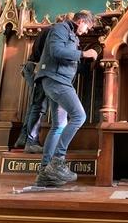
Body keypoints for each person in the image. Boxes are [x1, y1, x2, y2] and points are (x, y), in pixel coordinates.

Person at [34, 10, 98, 187]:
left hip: (58, 80)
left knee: (58, 126)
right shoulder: (61, 28)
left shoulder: (72, 35)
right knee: (79, 116)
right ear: (81, 21)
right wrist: (84, 54)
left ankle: (45, 172)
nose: (86, 32)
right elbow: (56, 51)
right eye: (87, 27)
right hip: (56, 81)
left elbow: (67, 61)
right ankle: (58, 161)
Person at [14, 13, 74, 154]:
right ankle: (31, 141)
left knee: (36, 104)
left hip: (37, 68)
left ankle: (24, 139)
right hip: (36, 68)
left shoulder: (51, 31)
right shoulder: (53, 31)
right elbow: (45, 55)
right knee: (38, 105)